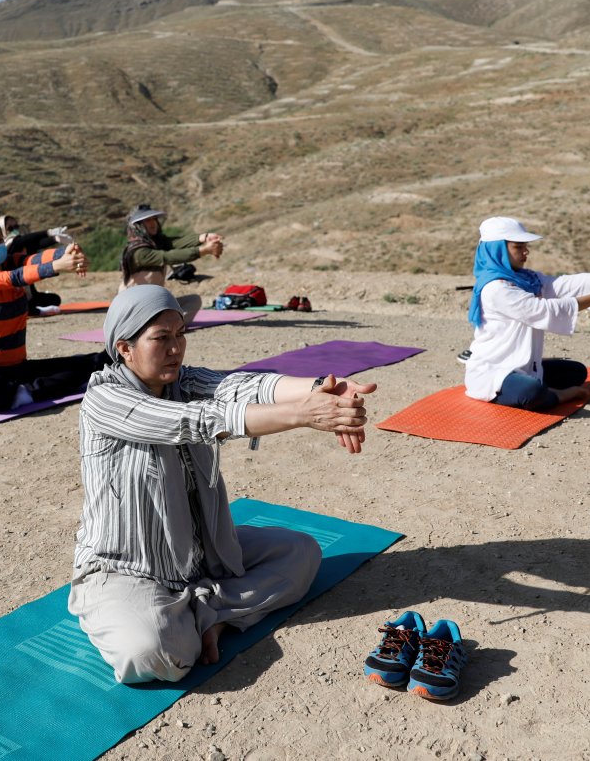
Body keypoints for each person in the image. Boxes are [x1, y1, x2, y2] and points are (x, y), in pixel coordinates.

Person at [69, 285, 376, 684]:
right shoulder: (103, 400)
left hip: (202, 554)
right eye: (162, 338)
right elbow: (193, 422)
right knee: (150, 654)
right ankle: (185, 612)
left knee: (302, 553)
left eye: (180, 334)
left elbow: (246, 386)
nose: (176, 348)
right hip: (128, 564)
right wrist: (303, 415)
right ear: (125, 349)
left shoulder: (185, 381)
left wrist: (324, 386)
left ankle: (207, 613)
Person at [462, 216, 590, 411]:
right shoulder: (496, 288)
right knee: (532, 392)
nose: (526, 251)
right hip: (492, 371)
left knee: (576, 372)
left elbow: (561, 285)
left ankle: (535, 379)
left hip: (518, 366)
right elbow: (540, 310)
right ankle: (557, 395)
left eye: (525, 245)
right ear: (497, 249)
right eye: (518, 246)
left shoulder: (526, 279)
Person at [0, 214, 108, 412]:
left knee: (89, 364)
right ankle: (27, 393)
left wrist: (66, 252)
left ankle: (25, 391)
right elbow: (14, 278)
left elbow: (35, 260)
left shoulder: (12, 261)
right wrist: (59, 266)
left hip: (17, 366)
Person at [120, 204, 224, 324]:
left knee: (193, 301)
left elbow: (175, 242)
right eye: (148, 220)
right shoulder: (138, 251)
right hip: (134, 305)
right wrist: (204, 250)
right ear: (138, 226)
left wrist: (204, 237)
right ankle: (158, 327)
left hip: (153, 303)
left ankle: (164, 327)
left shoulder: (156, 243)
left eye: (154, 219)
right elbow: (168, 257)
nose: (153, 223)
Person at [0, 215, 76, 316]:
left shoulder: (21, 247)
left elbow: (36, 244)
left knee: (55, 299)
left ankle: (32, 307)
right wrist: (48, 232)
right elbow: (22, 240)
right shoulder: (8, 246)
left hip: (28, 292)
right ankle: (33, 310)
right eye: (10, 228)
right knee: (20, 305)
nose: (14, 231)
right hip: (12, 293)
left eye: (16, 227)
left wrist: (55, 239)